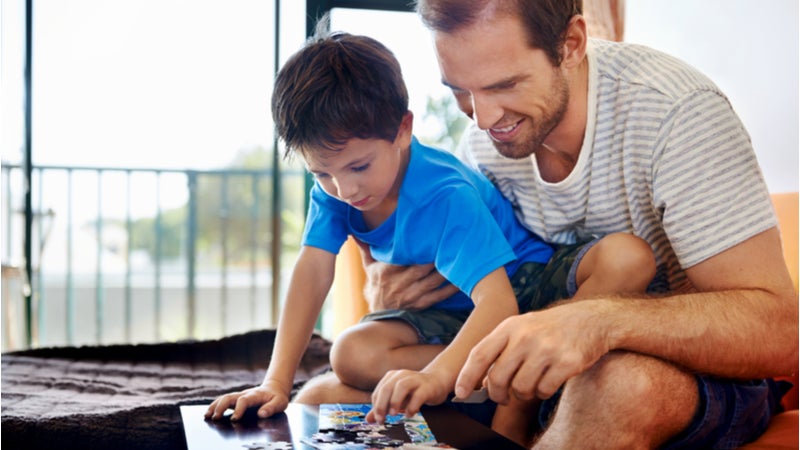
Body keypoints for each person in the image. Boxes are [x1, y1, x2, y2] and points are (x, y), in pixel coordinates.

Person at [301, 1, 799, 449]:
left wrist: (598, 322)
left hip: (690, 372)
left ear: (572, 44)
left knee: (616, 387)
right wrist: (401, 293)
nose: (482, 117)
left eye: (504, 85)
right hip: (532, 367)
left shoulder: (675, 114)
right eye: (460, 92)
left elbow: (782, 334)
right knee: (322, 394)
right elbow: (476, 281)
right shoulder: (485, 145)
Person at [204, 20, 658, 438]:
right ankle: (481, 379)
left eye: (359, 166)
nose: (344, 188)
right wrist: (276, 382)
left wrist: (438, 377)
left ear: (403, 130)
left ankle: (517, 398)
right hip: (453, 312)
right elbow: (313, 270)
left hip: (526, 291)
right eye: (321, 173)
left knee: (628, 257)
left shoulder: (444, 192)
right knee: (349, 355)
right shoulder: (337, 188)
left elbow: (498, 302)